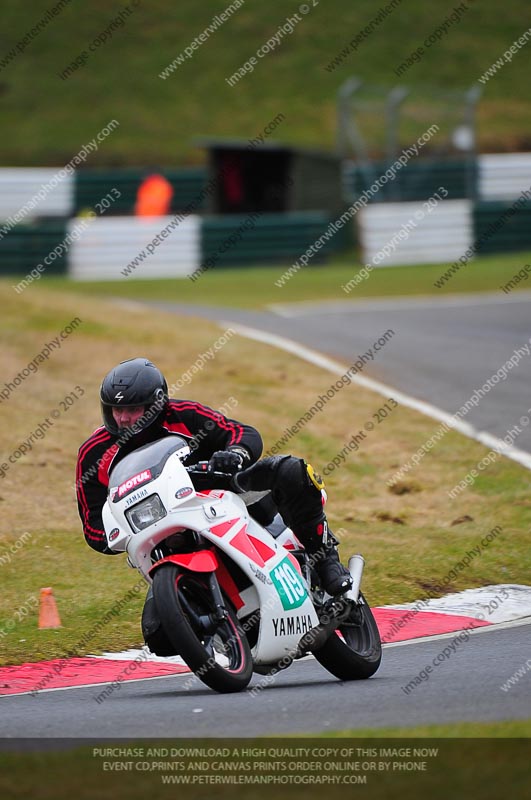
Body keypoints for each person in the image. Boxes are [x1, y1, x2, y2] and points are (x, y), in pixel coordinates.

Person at [76, 357, 352, 597]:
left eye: (132, 409)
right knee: (156, 630)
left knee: (291, 471)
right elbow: (93, 525)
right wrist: (121, 532)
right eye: (117, 410)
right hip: (158, 530)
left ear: (156, 404)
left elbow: (242, 432)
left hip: (218, 493)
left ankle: (325, 558)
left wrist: (235, 453)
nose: (123, 418)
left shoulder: (184, 414)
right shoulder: (93, 453)